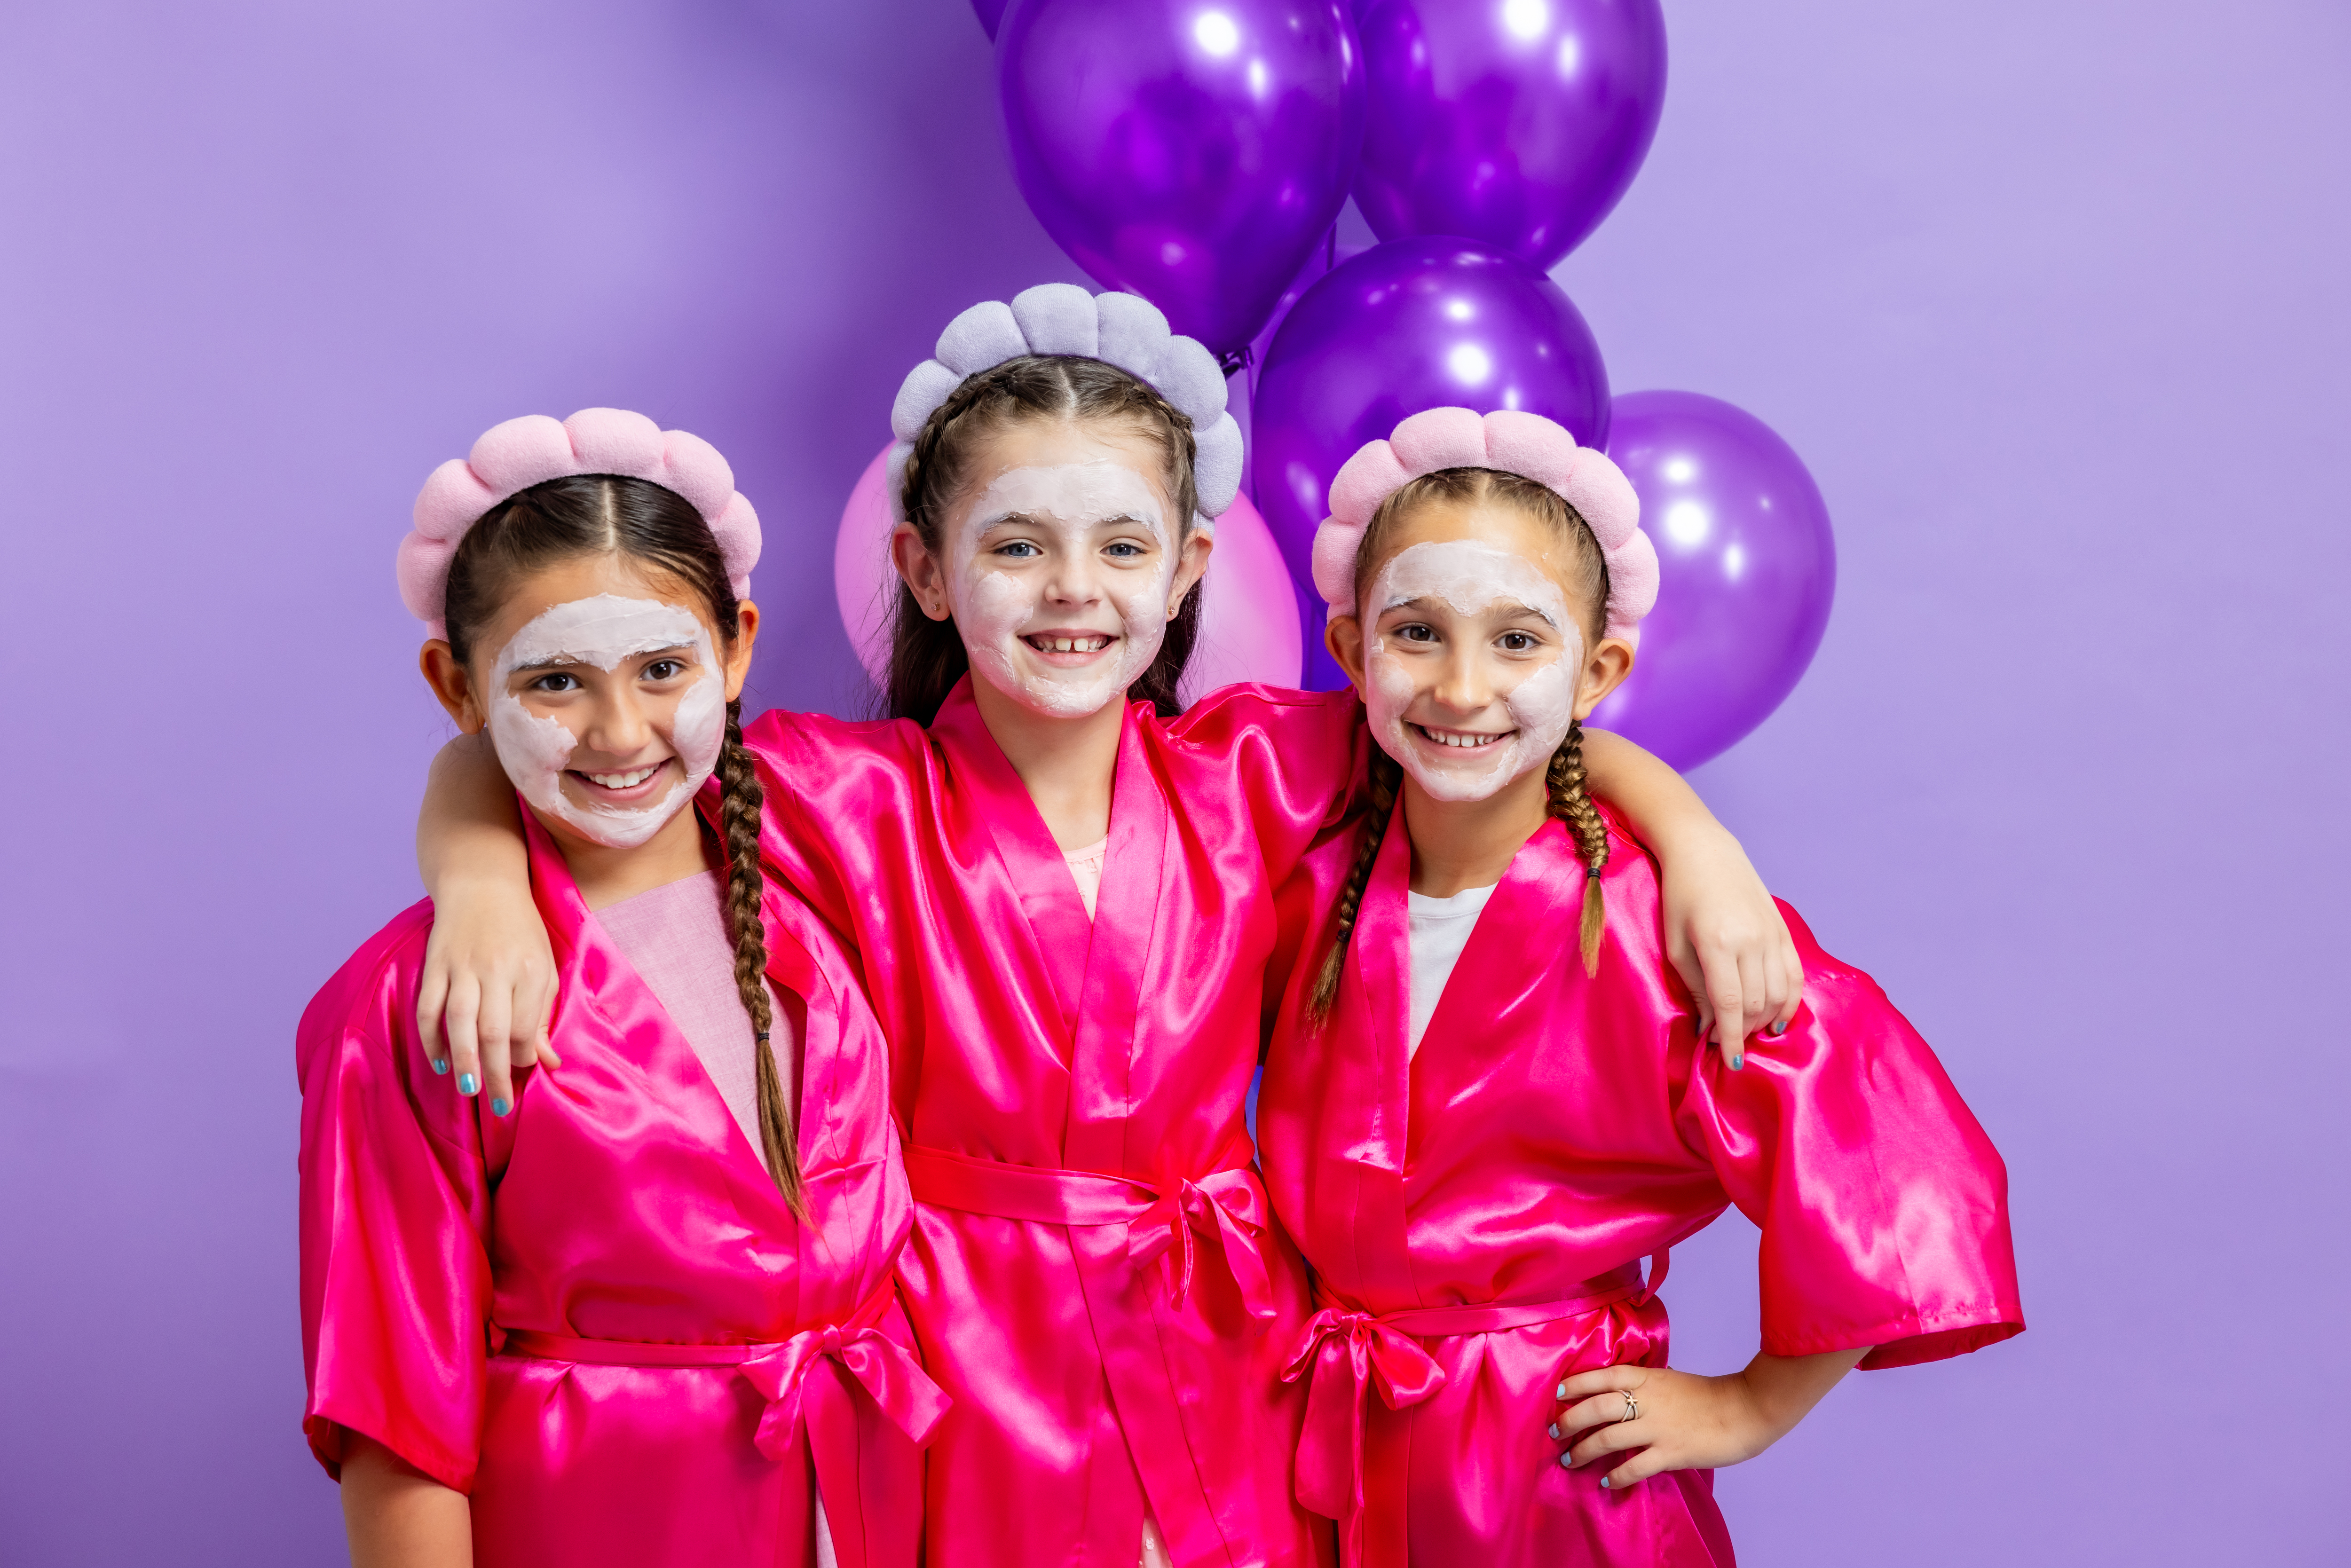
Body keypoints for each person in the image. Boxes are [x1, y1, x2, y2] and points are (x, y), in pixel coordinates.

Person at [410, 288, 1803, 1568]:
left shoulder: (1258, 770)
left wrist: (1696, 838)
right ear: (927, 568)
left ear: (1190, 566)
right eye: (1017, 544)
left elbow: (1496, 729)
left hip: (1227, 1339)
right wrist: (472, 869)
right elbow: (591, 739)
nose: (1074, 589)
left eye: (1122, 545)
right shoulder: (844, 796)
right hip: (965, 1356)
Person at [1258, 407, 2024, 1568]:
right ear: (1354, 647)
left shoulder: (1655, 924)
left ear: (1596, 670)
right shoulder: (1311, 867)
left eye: (1519, 641)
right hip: (1325, 1448)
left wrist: (1749, 1407)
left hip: (1550, 1472)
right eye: (1418, 632)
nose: (1462, 687)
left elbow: (1887, 1161)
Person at [298, 410, 942, 1568]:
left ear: (736, 649)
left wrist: (475, 848)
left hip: (863, 1506)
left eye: (662, 669)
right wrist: (483, 874)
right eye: (554, 682)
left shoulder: (831, 856)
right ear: (458, 687)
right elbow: (398, 1421)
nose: (619, 730)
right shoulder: (416, 1005)